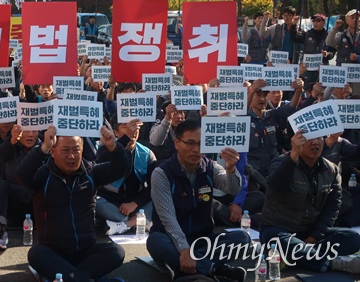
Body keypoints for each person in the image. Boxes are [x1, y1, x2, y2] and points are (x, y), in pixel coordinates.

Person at [18, 125, 129, 282]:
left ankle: (68, 277)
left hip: (85, 251)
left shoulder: (91, 172)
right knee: (36, 254)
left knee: (116, 252)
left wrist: (113, 147)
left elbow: (121, 169)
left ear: (82, 150)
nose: (71, 156)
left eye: (76, 150)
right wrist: (42, 148)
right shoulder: (44, 174)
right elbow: (22, 176)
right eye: (65, 150)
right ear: (53, 151)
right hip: (53, 252)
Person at [146, 120, 249, 282]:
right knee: (155, 241)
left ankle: (184, 269)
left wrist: (231, 169)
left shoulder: (210, 166)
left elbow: (233, 189)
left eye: (201, 144)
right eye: (191, 143)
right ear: (177, 143)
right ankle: (215, 270)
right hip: (171, 239)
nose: (196, 149)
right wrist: (184, 249)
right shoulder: (161, 173)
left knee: (242, 239)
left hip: (202, 240)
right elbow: (168, 219)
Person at [261, 130, 360, 274]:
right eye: (309, 138)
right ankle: (333, 263)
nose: (315, 142)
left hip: (311, 233)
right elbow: (276, 186)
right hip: (281, 230)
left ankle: (298, 256)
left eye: (319, 137)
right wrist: (293, 157)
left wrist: (313, 237)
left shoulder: (331, 170)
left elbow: (332, 208)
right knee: (273, 239)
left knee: (353, 238)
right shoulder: (282, 161)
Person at [96, 118, 156, 236]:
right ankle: (137, 222)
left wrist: (135, 203)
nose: (132, 130)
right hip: (111, 203)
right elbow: (102, 159)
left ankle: (125, 225)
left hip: (136, 206)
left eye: (135, 127)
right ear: (116, 132)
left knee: (160, 197)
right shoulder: (106, 147)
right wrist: (124, 139)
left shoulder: (147, 154)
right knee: (95, 201)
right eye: (126, 126)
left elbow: (153, 187)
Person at [0, 124, 38, 249]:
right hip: (13, 208)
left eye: (34, 130)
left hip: (36, 210)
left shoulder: (44, 148)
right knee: (1, 185)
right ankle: (0, 232)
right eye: (26, 131)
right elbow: (1, 153)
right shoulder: (11, 147)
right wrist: (12, 140)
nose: (30, 134)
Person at [291, 13, 336, 83]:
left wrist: (327, 54)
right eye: (314, 21)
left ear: (324, 22)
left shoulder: (328, 36)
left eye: (318, 21)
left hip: (322, 70)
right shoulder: (306, 34)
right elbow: (294, 38)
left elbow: (332, 52)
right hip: (307, 70)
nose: (315, 23)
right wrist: (294, 25)